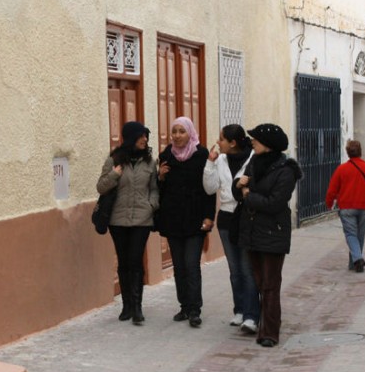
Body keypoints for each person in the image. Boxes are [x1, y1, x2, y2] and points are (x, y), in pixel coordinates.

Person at [232, 123, 302, 348]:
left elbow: (275, 203)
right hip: (252, 232)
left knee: (271, 285)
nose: (252, 141)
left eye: (256, 139)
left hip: (273, 234)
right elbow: (240, 188)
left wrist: (247, 194)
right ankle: (268, 324)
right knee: (261, 283)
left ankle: (270, 333)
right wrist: (238, 186)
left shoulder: (286, 170)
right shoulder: (254, 162)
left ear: (268, 144)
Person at [97, 121, 159, 325]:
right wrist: (114, 174)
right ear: (131, 138)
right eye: (141, 136)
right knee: (124, 262)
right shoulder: (114, 160)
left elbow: (154, 188)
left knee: (135, 260)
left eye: (146, 136)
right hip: (118, 219)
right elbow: (101, 187)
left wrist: (151, 205)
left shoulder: (150, 161)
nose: (145, 140)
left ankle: (138, 307)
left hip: (142, 218)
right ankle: (126, 306)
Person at [156, 116, 217, 328]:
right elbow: (160, 192)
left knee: (192, 264)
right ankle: (183, 306)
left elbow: (209, 189)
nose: (178, 136)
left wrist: (209, 217)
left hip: (195, 218)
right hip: (173, 219)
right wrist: (160, 178)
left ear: (190, 133)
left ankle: (195, 309)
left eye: (182, 131)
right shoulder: (166, 155)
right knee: (179, 266)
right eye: (174, 131)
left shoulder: (201, 154)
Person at [202, 124, 260, 334]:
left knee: (247, 269)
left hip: (246, 216)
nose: (218, 142)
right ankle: (240, 310)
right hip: (226, 217)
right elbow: (209, 188)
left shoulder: (253, 158)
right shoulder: (221, 161)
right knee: (235, 269)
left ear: (233, 142)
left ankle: (252, 315)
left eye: (222, 139)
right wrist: (210, 162)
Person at [324, 140, 365, 273]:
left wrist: (329, 203)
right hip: (364, 206)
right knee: (359, 235)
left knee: (351, 234)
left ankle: (356, 259)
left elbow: (332, 190)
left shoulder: (341, 169)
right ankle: (355, 262)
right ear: (360, 152)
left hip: (346, 206)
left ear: (348, 153)